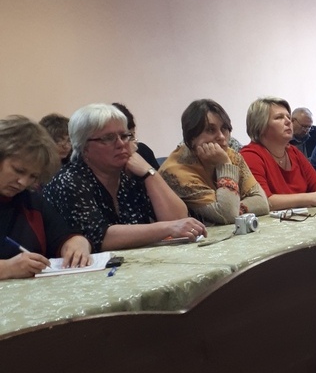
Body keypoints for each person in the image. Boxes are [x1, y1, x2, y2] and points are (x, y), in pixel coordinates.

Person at [43, 104, 206, 252]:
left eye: (124, 136)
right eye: (108, 138)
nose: (121, 144)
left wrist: (149, 173)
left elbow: (179, 220)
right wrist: (167, 228)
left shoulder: (130, 174)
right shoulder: (69, 180)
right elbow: (99, 237)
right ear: (84, 147)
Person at [0, 116, 92, 278]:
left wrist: (78, 244)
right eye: (18, 170)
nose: (23, 182)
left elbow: (63, 235)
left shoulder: (30, 199)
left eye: (33, 176)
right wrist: (6, 268)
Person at [159, 99, 269, 224]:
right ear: (191, 138)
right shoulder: (175, 171)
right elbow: (228, 215)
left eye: (224, 129)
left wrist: (235, 208)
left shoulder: (231, 155)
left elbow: (262, 202)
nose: (221, 137)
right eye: (210, 130)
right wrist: (224, 165)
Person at [241, 97, 316, 209]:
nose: (288, 122)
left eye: (288, 117)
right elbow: (263, 201)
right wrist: (311, 198)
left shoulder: (293, 152)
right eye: (279, 117)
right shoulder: (250, 156)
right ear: (260, 126)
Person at [112, 102, 160, 170]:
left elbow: (158, 176)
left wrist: (146, 168)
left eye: (132, 136)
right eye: (125, 137)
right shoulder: (110, 159)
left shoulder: (143, 150)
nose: (134, 143)